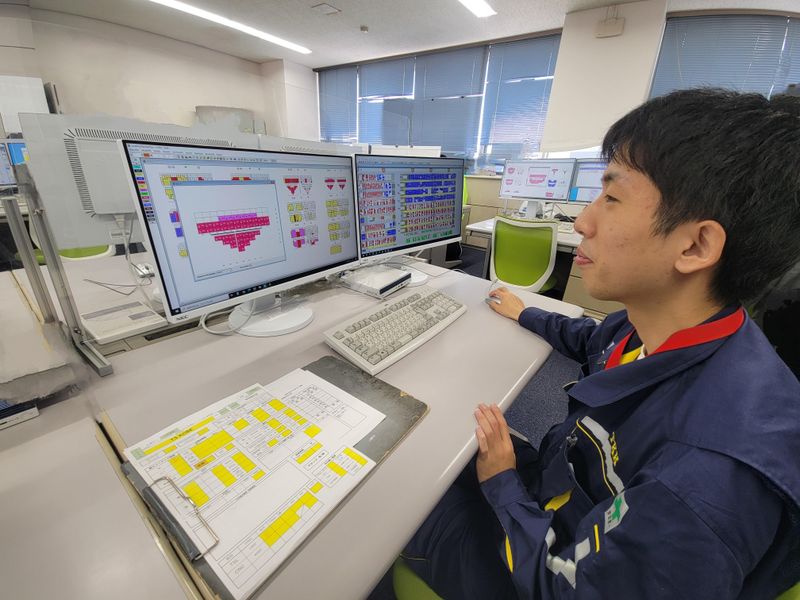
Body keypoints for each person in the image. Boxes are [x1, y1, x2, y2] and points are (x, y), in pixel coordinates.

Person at [401, 88, 800, 599]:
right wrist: (528, 312)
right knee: (436, 435)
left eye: (612, 198)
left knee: (403, 498)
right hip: (564, 493)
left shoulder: (702, 484)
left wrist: (502, 483)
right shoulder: (665, 329)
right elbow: (594, 340)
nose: (583, 222)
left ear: (696, 245)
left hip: (549, 568)